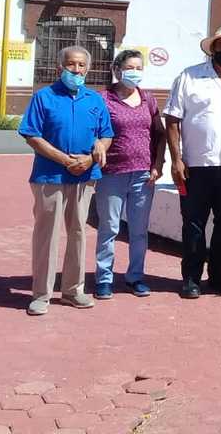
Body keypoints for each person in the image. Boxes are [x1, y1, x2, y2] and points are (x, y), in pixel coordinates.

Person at [164, 25, 221, 299]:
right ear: (212, 49)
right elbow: (172, 119)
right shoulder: (189, 77)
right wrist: (176, 159)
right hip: (196, 165)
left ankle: (218, 276)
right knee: (193, 223)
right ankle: (191, 278)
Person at [18, 45, 113, 316]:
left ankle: (73, 290)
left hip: (85, 177)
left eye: (82, 65)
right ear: (61, 67)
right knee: (47, 235)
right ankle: (41, 294)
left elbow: (106, 135)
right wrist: (65, 160)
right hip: (50, 176)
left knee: (78, 233)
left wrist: (92, 157)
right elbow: (32, 135)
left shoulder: (95, 100)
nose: (77, 70)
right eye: (71, 65)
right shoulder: (43, 97)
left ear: (89, 68)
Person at [94, 49, 166, 299]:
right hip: (111, 174)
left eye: (139, 68)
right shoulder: (103, 98)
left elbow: (159, 134)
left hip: (143, 175)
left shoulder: (148, 99)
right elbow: (94, 132)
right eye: (130, 68)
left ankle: (135, 276)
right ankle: (104, 278)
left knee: (138, 230)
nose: (135, 72)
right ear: (117, 70)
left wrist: (158, 164)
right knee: (109, 228)